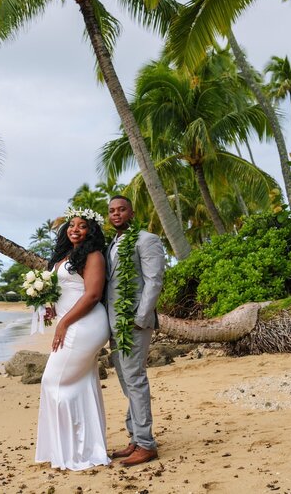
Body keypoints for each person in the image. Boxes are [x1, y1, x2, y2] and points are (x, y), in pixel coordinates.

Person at [35, 208, 112, 471]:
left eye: (81, 225)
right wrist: (51, 309)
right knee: (80, 384)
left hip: (86, 324)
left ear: (91, 230)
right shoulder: (64, 256)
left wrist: (64, 323)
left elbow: (91, 295)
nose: (75, 229)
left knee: (52, 381)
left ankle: (74, 451)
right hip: (69, 322)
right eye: (71, 225)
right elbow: (67, 290)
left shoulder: (93, 255)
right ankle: (80, 448)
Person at [104, 195, 165, 467]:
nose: (116, 214)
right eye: (112, 211)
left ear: (132, 212)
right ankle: (135, 438)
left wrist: (140, 318)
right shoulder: (112, 245)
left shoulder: (146, 239)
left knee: (135, 379)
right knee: (126, 382)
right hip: (114, 324)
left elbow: (154, 281)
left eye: (121, 209)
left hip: (134, 324)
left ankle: (146, 444)